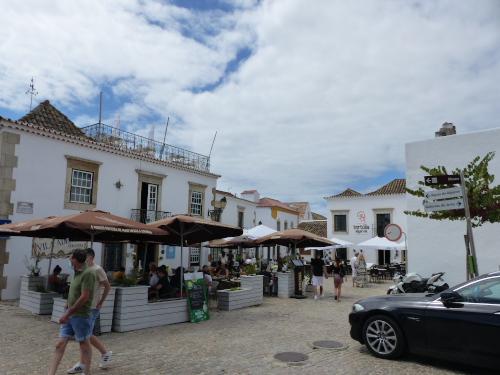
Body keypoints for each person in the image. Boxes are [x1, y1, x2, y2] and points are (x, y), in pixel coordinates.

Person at [48, 249, 95, 375]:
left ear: (74, 261)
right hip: (70, 313)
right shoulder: (76, 271)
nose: (69, 260)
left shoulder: (88, 273)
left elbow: (84, 297)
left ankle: (87, 372)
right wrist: (66, 307)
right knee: (59, 344)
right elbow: (73, 292)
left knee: (84, 345)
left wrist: (68, 313)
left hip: (81, 315)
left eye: (70, 258)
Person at [67, 248, 112, 374]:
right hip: (81, 307)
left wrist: (100, 303)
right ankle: (82, 363)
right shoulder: (81, 270)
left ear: (90, 258)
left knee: (86, 335)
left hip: (91, 307)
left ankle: (104, 353)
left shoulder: (97, 270)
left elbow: (107, 286)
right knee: (83, 335)